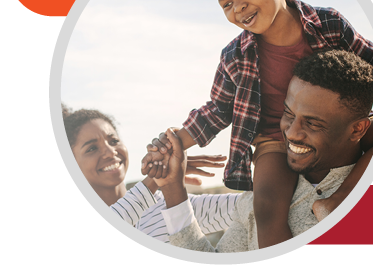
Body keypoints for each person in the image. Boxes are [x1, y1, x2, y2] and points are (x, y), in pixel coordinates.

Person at [143, 0, 373, 248]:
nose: (238, 6)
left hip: (332, 130)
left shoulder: (328, 24)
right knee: (267, 206)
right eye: (226, 3)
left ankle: (338, 199)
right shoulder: (235, 55)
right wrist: (173, 142)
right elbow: (217, 110)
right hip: (273, 140)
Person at [147, 49, 373, 252]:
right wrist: (173, 188)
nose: (291, 133)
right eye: (288, 114)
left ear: (358, 129)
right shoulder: (262, 195)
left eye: (313, 123)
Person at [62, 104, 240, 243]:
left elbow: (251, 207)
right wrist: (157, 178)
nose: (110, 152)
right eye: (92, 148)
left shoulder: (169, 205)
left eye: (114, 140)